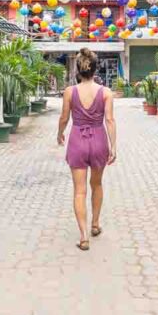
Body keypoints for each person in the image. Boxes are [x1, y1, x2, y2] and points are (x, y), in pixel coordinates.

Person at [57, 48, 117, 251]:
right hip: (99, 140)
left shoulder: (69, 92)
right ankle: (95, 224)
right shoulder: (106, 92)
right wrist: (114, 146)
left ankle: (83, 236)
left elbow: (64, 117)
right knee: (97, 184)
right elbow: (109, 120)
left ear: (78, 69)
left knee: (79, 191)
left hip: (77, 141)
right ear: (95, 69)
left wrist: (60, 133)